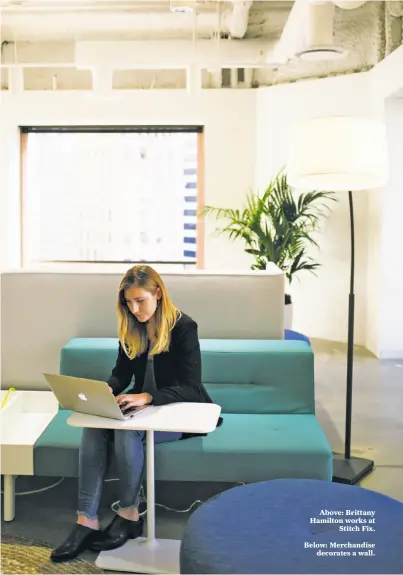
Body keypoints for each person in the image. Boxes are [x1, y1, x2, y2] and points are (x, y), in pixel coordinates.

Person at [51, 264, 222, 563]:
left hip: (181, 413)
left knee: (126, 433)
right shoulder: (132, 327)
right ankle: (86, 521)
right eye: (129, 303)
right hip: (143, 410)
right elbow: (121, 374)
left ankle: (130, 514)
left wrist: (147, 397)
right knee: (93, 428)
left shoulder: (184, 327)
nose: (135, 309)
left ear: (158, 293)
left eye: (140, 300)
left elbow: (192, 387)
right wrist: (105, 393)